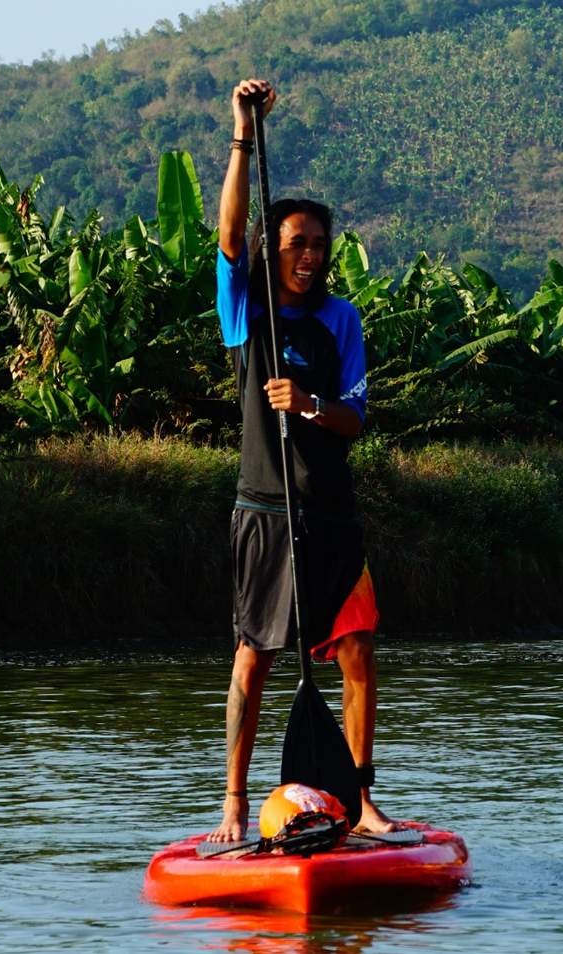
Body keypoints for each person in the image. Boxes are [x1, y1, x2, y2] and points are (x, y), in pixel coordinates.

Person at [207, 78, 394, 841]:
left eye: (319, 244)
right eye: (296, 244)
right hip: (263, 508)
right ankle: (233, 801)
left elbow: (354, 417)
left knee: (356, 654)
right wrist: (244, 134)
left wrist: (309, 406)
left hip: (330, 513)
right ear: (273, 250)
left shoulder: (340, 318)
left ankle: (359, 799)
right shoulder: (245, 304)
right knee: (253, 661)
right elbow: (228, 231)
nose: (310, 256)